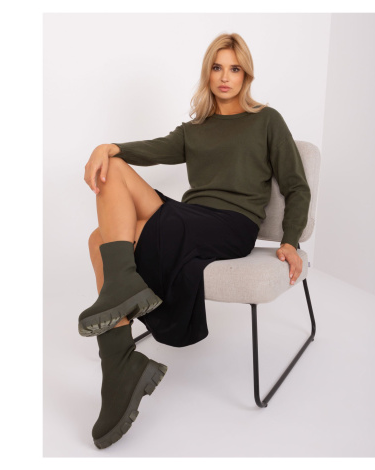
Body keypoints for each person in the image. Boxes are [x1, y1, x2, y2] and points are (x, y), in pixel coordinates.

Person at [79, 32, 311, 449]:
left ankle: (119, 347)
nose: (225, 77)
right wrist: (107, 146)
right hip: (189, 218)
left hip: (231, 225)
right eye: (217, 68)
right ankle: (118, 363)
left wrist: (291, 240)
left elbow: (297, 186)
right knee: (102, 225)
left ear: (246, 75)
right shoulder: (195, 129)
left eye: (234, 69)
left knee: (106, 238)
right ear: (208, 73)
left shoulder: (266, 120)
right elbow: (152, 149)